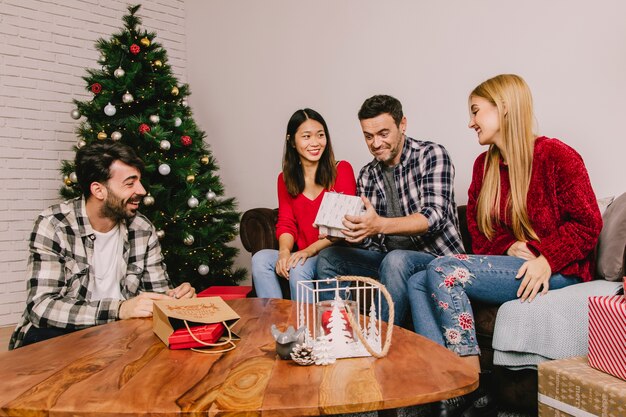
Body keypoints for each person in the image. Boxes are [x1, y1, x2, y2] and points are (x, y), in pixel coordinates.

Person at [407, 74, 603, 417]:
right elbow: (479, 233)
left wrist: (547, 258)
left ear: (505, 109)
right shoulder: (484, 166)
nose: (470, 122)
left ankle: (466, 379)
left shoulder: (557, 155)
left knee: (442, 267)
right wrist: (509, 244)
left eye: (476, 111)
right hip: (514, 266)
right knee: (417, 279)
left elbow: (588, 224)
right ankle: (438, 386)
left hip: (557, 273)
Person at [9, 141, 195, 350]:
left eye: (139, 181)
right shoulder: (54, 224)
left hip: (121, 334)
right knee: (45, 340)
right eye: (130, 183)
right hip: (65, 334)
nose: (142, 190)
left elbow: (158, 294)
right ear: (98, 190)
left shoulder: (142, 229)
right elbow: (42, 307)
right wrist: (119, 309)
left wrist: (175, 298)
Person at [316, 95, 464, 326]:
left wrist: (380, 225)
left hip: (436, 258)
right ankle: (341, 337)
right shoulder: (368, 174)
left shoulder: (431, 155)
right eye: (368, 136)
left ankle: (382, 343)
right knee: (328, 257)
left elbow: (435, 216)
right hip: (386, 259)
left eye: (383, 134)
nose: (375, 143)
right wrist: (347, 234)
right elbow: (371, 242)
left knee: (396, 260)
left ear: (402, 125)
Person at [251, 108, 356, 301]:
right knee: (260, 260)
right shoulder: (284, 179)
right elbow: (286, 223)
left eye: (320, 135)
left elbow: (343, 228)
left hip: (331, 253)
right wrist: (283, 252)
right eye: (306, 136)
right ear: (292, 141)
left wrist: (308, 251)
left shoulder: (341, 170)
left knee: (298, 267)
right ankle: (274, 323)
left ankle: (305, 330)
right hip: (302, 252)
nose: (315, 143)